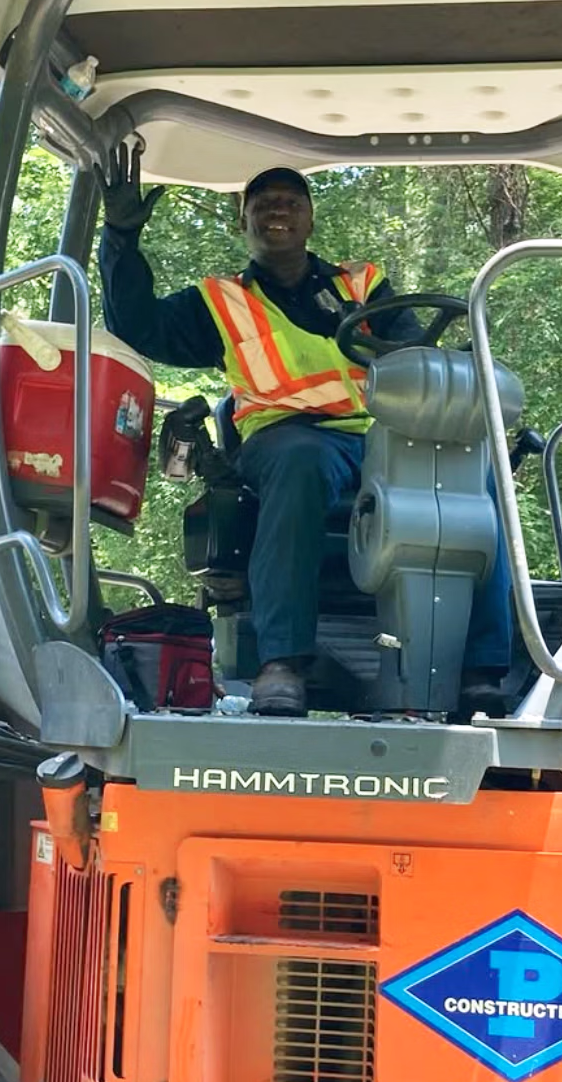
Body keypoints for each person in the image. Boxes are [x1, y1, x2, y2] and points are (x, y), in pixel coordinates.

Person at [95, 141, 511, 717]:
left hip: (377, 437)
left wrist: (362, 333)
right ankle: (282, 662)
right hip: (284, 435)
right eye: (263, 203)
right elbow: (137, 326)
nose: (278, 210)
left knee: (475, 475)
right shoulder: (221, 300)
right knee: (301, 462)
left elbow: (413, 353)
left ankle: (483, 668)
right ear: (243, 221)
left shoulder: (362, 286)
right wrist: (120, 237)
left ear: (310, 219)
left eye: (291, 201)